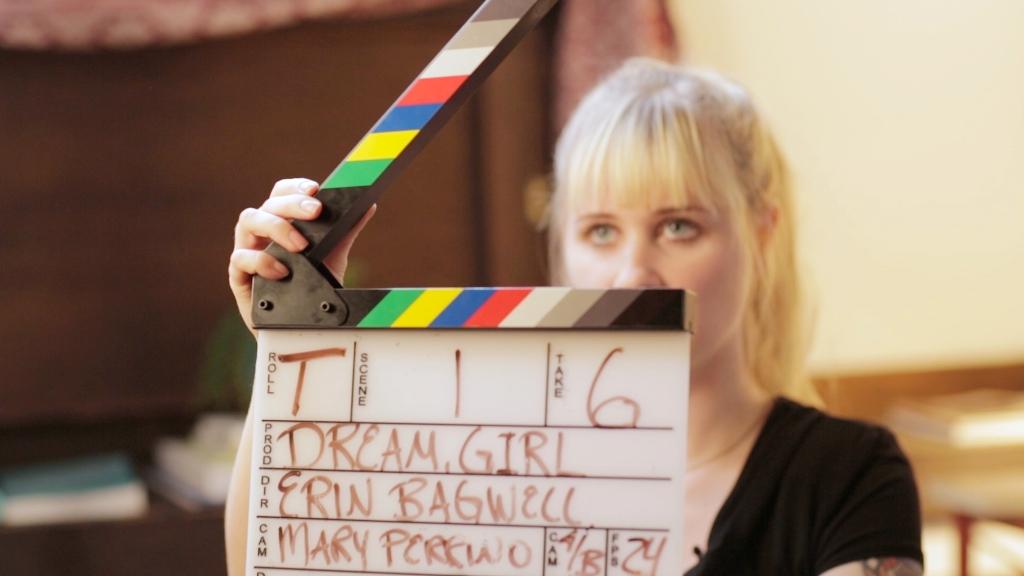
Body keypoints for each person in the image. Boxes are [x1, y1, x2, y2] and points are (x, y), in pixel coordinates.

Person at [225, 58, 923, 575]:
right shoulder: (483, 471)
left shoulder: (850, 475)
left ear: (761, 234)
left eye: (678, 226)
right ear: (562, 248)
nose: (634, 273)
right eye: (601, 232)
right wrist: (283, 341)